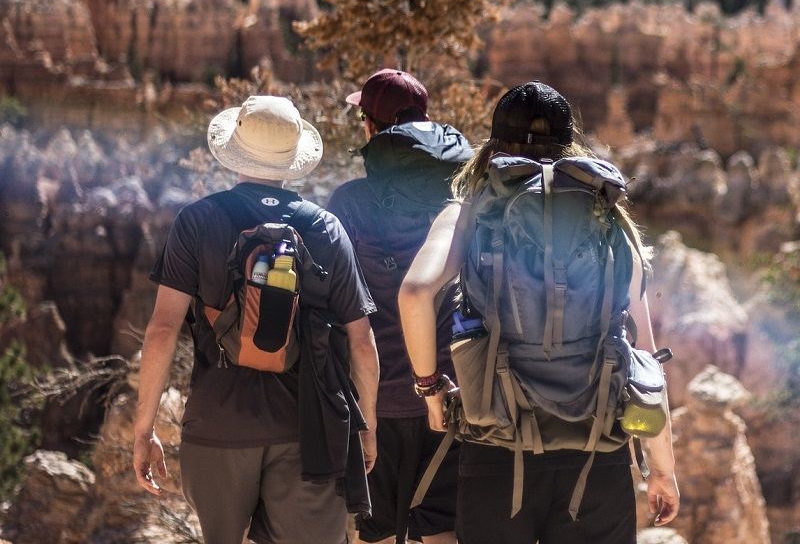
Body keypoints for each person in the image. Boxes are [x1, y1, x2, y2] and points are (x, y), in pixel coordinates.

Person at [398, 81, 680, 544]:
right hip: (597, 451)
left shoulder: (469, 210)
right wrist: (662, 469)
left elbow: (414, 294)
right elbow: (644, 357)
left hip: (497, 447)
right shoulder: (607, 216)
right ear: (570, 144)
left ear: (492, 144)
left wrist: (431, 392)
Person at [133, 95, 380, 544]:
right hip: (308, 435)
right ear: (294, 159)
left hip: (217, 426)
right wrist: (369, 428)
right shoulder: (325, 228)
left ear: (235, 151)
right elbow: (361, 341)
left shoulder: (197, 221)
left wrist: (144, 429)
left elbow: (162, 330)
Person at [328, 69, 473, 544]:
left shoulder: (348, 203)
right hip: (451, 392)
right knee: (442, 530)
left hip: (378, 399)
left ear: (370, 128)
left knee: (378, 532)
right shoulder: (460, 198)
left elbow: (334, 308)